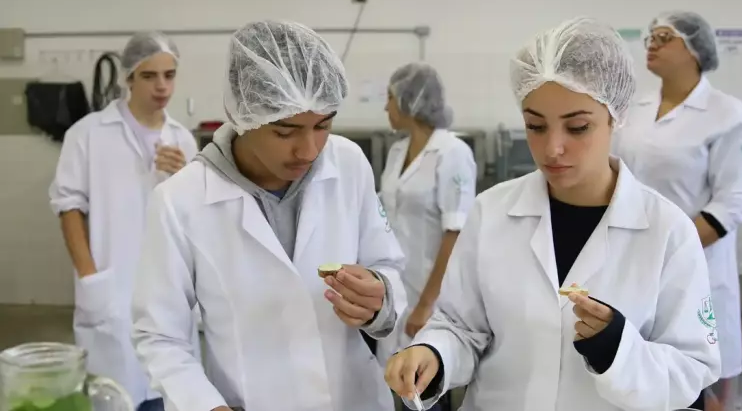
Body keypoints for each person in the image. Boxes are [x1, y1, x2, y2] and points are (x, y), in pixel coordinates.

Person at [384, 16, 722, 411]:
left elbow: (691, 370)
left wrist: (618, 349)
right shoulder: (491, 212)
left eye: (577, 127)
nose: (552, 149)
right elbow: (461, 327)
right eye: (535, 126)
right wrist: (434, 354)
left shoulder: (668, 231)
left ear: (615, 115)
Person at [131, 20, 407, 411]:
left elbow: (387, 264)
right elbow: (160, 337)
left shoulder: (348, 163)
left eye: (323, 125)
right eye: (284, 131)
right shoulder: (180, 201)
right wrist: (205, 405)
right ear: (241, 113)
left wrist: (379, 297)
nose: (308, 150)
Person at [612, 11, 742, 410]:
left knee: (702, 388)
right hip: (631, 264)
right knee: (637, 379)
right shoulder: (635, 110)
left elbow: (730, 204)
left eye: (665, 37)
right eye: (651, 37)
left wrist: (669, 250)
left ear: (695, 51)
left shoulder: (727, 114)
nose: (652, 44)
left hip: (698, 266)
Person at [49, 32, 198, 411]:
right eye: (149, 76)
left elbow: (194, 217)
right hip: (111, 287)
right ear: (129, 78)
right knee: (114, 395)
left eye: (169, 75)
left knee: (167, 392)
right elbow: (68, 207)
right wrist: (89, 276)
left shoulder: (182, 140)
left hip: (167, 290)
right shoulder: (87, 133)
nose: (162, 86)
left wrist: (184, 178)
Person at [378, 63, 477, 410]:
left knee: (424, 391)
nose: (386, 107)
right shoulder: (396, 152)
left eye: (390, 98)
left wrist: (426, 305)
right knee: (395, 385)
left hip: (431, 297)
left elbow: (455, 233)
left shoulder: (452, 153)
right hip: (396, 292)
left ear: (410, 100)